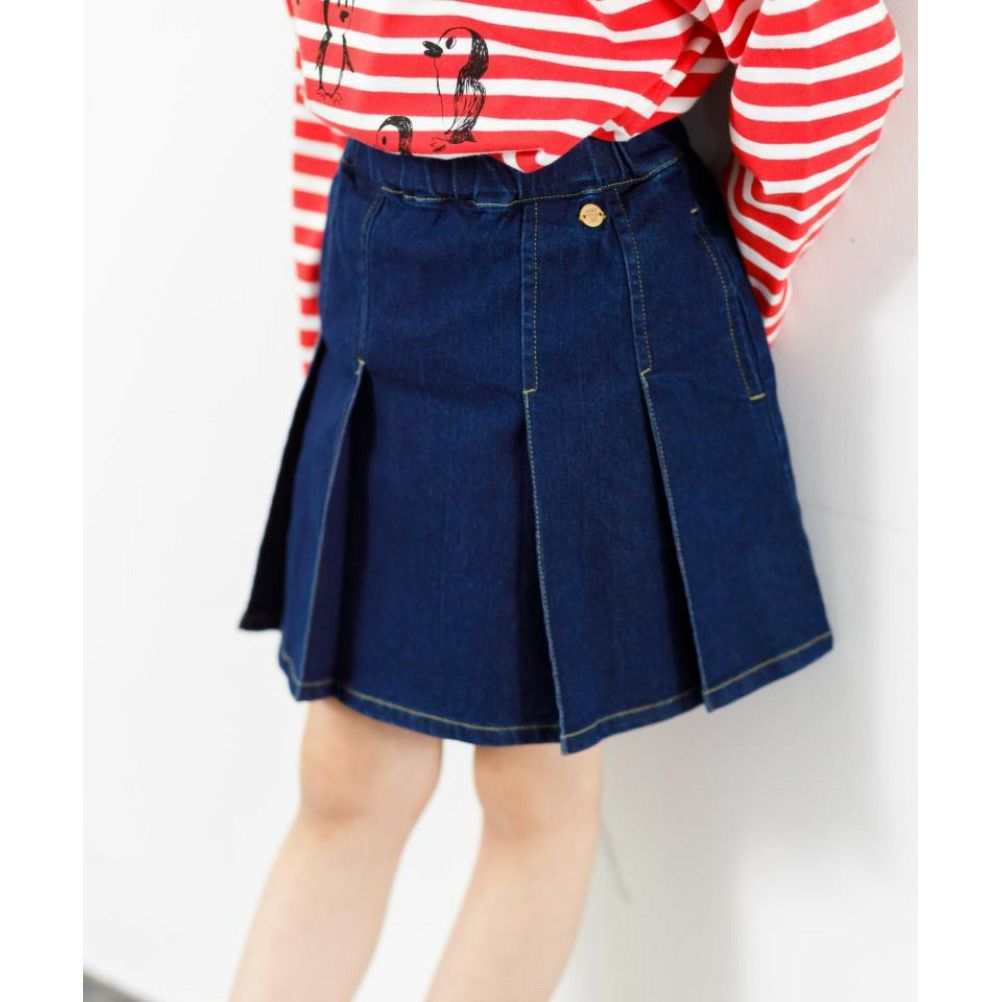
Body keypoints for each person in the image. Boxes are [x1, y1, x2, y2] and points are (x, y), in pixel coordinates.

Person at [231, 2, 904, 999]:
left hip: (580, 284)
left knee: (532, 788)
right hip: (381, 281)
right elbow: (327, 75)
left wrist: (739, 273)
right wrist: (327, 334)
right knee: (349, 773)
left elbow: (831, 56)